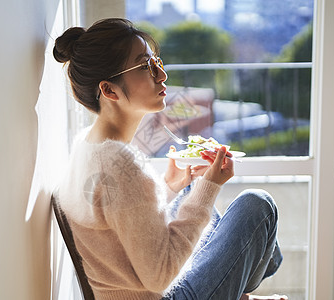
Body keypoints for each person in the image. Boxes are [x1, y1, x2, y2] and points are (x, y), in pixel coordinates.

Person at [54, 18, 284, 300]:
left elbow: (119, 220)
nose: (161, 75)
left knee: (189, 192)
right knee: (258, 205)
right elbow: (160, 275)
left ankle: (235, 289)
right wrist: (208, 188)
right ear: (109, 90)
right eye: (144, 67)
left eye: (156, 62)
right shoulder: (121, 165)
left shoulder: (88, 145)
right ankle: (239, 290)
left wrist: (170, 186)